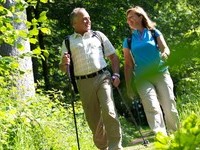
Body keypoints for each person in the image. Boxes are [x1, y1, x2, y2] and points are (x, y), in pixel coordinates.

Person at [59, 8, 123, 150]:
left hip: (102, 77)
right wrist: (64, 62)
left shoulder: (98, 36)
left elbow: (113, 56)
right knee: (93, 119)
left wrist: (116, 74)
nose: (88, 21)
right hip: (82, 82)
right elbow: (64, 69)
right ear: (74, 24)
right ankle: (103, 147)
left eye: (88, 18)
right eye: (83, 19)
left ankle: (116, 146)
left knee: (109, 110)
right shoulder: (68, 42)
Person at [122, 6, 179, 135]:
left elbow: (165, 48)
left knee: (169, 104)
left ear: (140, 17)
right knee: (151, 106)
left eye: (131, 17)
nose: (129, 20)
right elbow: (128, 65)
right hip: (142, 78)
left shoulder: (154, 32)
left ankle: (175, 134)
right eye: (127, 19)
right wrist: (129, 86)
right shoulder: (128, 41)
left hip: (161, 73)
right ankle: (161, 136)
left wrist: (165, 53)